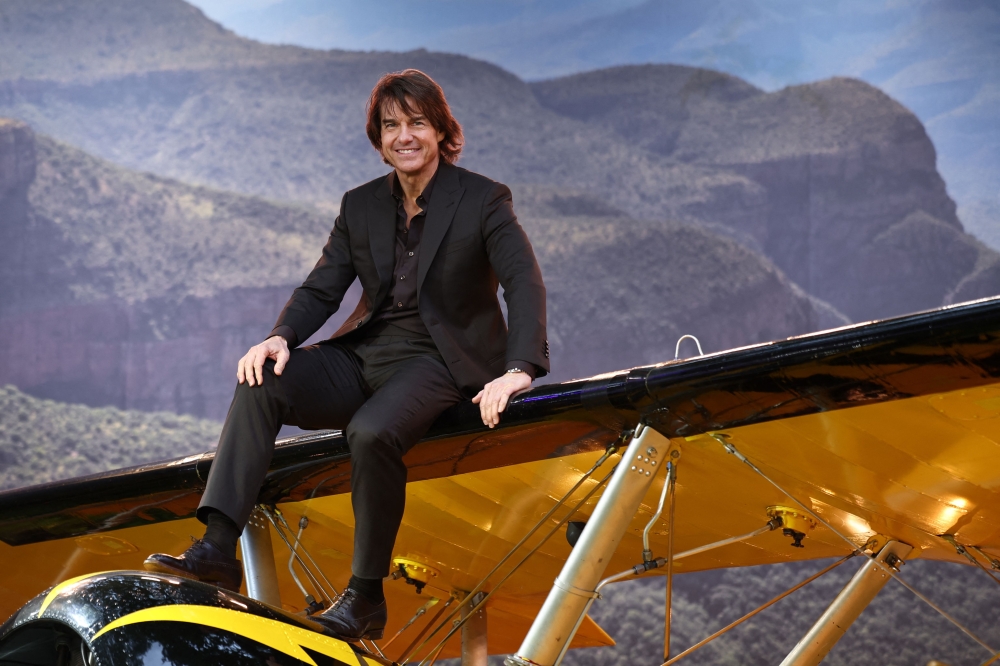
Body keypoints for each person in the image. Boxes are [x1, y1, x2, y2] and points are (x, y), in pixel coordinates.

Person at [143, 68, 549, 641]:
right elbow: (323, 286)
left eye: (415, 122)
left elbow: (523, 283)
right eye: (390, 125)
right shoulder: (359, 206)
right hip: (366, 351)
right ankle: (216, 548)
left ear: (440, 130)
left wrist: (518, 369)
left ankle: (364, 598)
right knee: (263, 381)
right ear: (378, 138)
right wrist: (278, 336)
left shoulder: (484, 199)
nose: (403, 136)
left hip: (440, 361)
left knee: (371, 432)